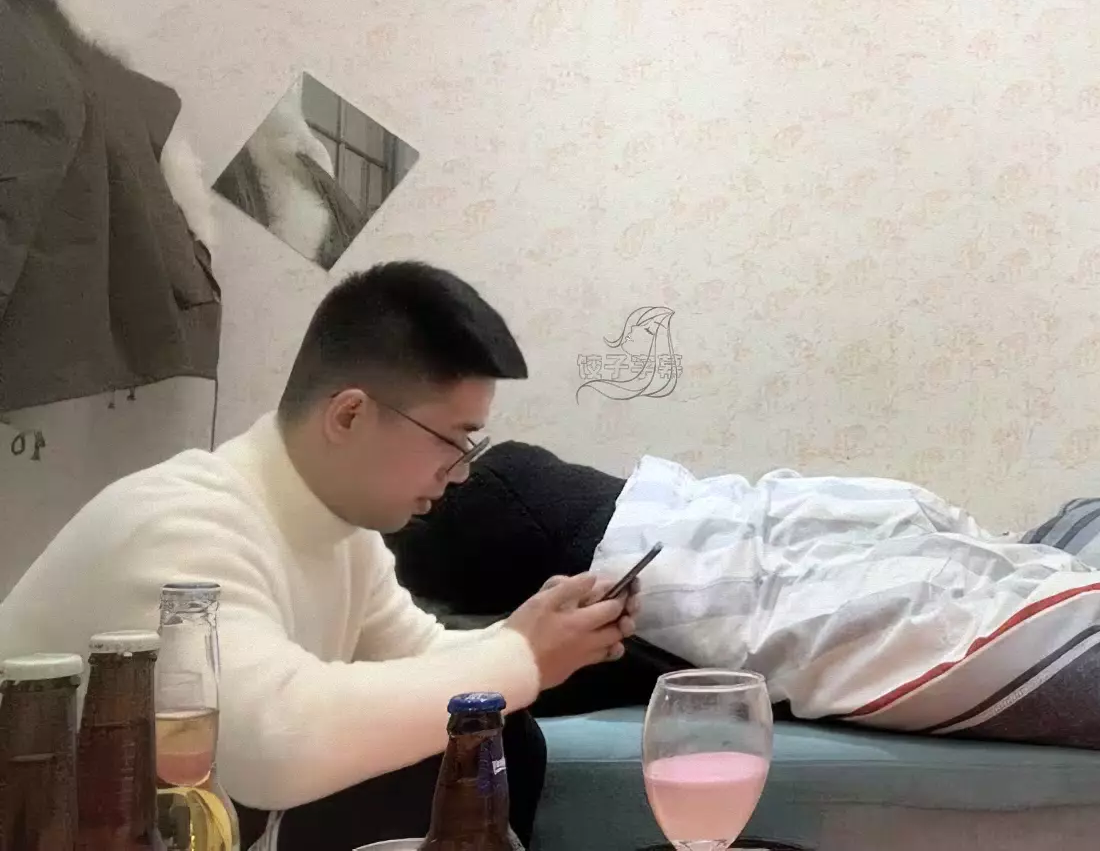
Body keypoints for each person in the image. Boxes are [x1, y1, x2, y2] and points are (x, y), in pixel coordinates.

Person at [0, 261, 634, 849]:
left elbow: (420, 655)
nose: (462, 473)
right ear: (349, 415)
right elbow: (272, 745)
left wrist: (539, 633)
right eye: (454, 440)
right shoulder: (180, 521)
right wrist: (522, 657)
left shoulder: (344, 532)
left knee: (498, 736)